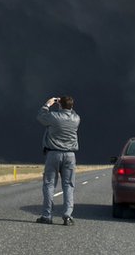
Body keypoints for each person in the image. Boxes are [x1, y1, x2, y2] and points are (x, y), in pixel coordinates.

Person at [36, 95, 80, 226]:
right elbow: (71, 111)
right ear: (72, 106)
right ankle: (67, 216)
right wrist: (65, 104)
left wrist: (48, 104)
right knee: (68, 186)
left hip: (53, 154)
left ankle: (47, 215)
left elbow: (40, 117)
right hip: (70, 156)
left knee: (49, 185)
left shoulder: (54, 117)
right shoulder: (76, 119)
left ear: (60, 105)